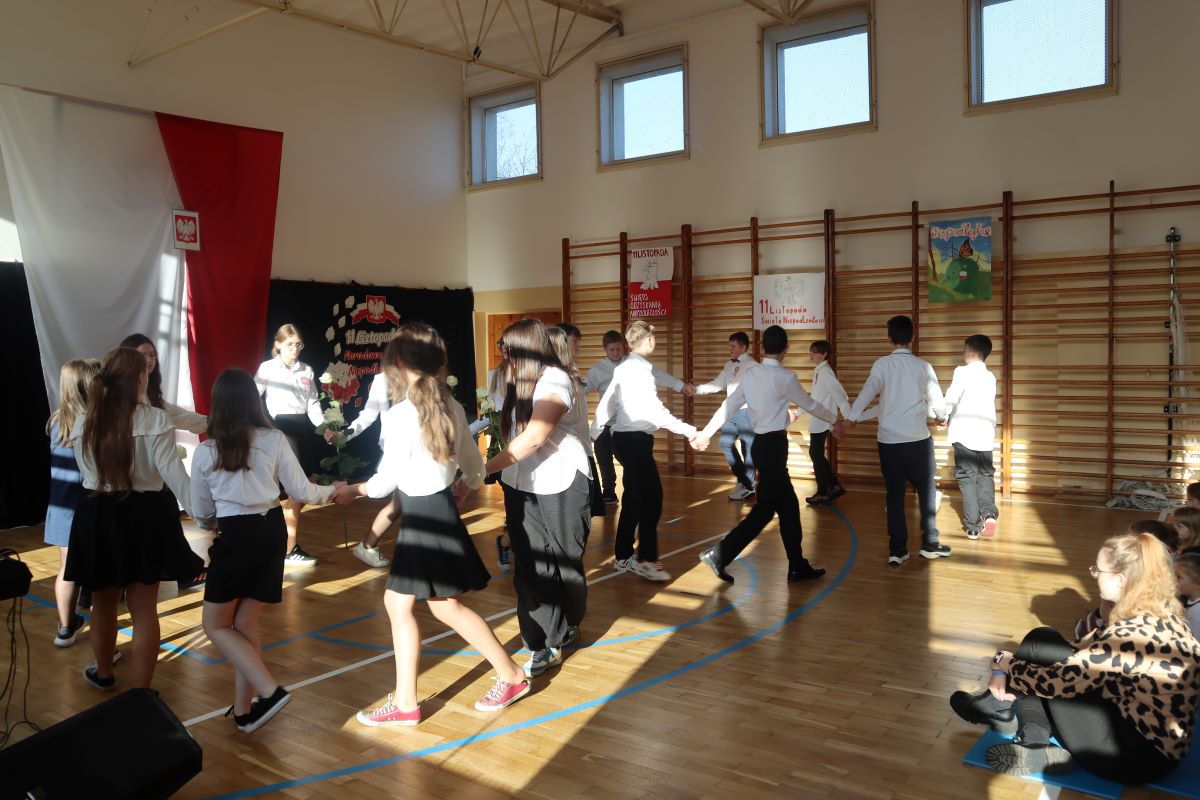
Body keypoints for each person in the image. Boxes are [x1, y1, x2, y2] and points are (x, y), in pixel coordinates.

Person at [333, 323, 530, 725]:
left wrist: (352, 489)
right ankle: (412, 700)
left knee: (432, 606)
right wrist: (462, 488)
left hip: (424, 521)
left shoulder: (402, 415)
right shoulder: (451, 407)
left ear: (399, 363)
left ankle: (504, 677)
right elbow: (474, 469)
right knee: (431, 605)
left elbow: (384, 482)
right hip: (435, 515)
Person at [950, 532, 1200, 783]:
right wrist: (1010, 664)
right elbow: (1080, 649)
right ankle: (1007, 713)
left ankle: (1022, 729)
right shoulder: (1161, 612)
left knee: (1040, 672)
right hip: (1149, 741)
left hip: (1133, 758)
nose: (1094, 575)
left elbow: (1057, 682)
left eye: (1097, 570)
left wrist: (1003, 664)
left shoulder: (1129, 635)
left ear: (1120, 580)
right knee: (1042, 638)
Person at [191, 369, 343, 733]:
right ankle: (245, 712)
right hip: (271, 531)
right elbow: (301, 491)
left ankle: (269, 691)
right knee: (244, 623)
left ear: (217, 406)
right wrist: (334, 491)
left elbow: (201, 512)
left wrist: (210, 524)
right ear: (252, 401)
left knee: (214, 624)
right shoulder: (274, 438)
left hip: (236, 535)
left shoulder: (207, 450)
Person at [65, 347, 198, 691]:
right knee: (144, 609)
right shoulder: (155, 419)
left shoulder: (84, 420)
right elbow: (176, 477)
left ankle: (104, 673)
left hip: (97, 514)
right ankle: (141, 691)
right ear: (141, 378)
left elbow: (87, 475)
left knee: (103, 604)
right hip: (145, 515)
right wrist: (205, 516)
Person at [484, 319, 592, 678]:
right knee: (530, 566)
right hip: (521, 483)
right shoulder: (515, 379)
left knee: (566, 564)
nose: (505, 355)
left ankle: (570, 622)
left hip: (562, 483)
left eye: (509, 349)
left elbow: (534, 437)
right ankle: (544, 643)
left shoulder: (556, 380)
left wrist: (485, 468)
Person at [693, 326, 836, 584]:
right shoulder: (786, 377)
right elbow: (810, 404)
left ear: (761, 348)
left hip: (762, 446)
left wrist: (706, 432)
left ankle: (797, 564)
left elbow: (729, 405)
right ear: (786, 349)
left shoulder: (751, 374)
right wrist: (836, 421)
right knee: (765, 511)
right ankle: (720, 554)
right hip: (774, 448)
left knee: (788, 507)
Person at [836, 315, 950, 565]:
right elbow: (936, 398)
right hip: (917, 441)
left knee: (895, 495)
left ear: (889, 339)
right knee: (926, 489)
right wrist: (942, 417)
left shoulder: (882, 365)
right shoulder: (924, 366)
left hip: (889, 442)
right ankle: (930, 543)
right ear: (913, 338)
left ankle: (897, 550)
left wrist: (851, 419)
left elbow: (868, 393)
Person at [592, 320, 698, 582]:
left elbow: (607, 403)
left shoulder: (632, 367)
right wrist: (690, 431)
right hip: (632, 442)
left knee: (634, 498)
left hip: (629, 441)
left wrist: (594, 431)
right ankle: (646, 560)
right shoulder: (635, 371)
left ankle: (623, 557)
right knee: (652, 497)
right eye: (653, 338)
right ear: (649, 341)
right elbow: (655, 412)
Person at [120, 333, 208, 590]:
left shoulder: (155, 402)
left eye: (152, 355)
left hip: (145, 492)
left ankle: (185, 570)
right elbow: (170, 466)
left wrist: (221, 423)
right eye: (143, 355)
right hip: (125, 496)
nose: (149, 360)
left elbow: (187, 419)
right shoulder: (109, 410)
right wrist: (201, 513)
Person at [584, 329, 693, 504]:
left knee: (630, 462)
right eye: (612, 350)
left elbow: (659, 375)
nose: (616, 353)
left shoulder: (634, 364)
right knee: (603, 458)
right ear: (605, 349)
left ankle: (633, 491)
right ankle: (609, 492)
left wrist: (680, 386)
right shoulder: (598, 369)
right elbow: (589, 391)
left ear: (624, 347)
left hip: (628, 425)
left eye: (619, 349)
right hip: (606, 423)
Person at [254, 324, 325, 566]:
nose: (295, 349)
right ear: (278, 344)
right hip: (280, 429)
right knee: (296, 487)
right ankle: (288, 547)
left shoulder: (307, 369)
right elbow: (252, 396)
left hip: (302, 429)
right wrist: (263, 425)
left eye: (299, 344)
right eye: (290, 344)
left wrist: (325, 428)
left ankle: (286, 544)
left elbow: (313, 404)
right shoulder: (267, 368)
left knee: (304, 485)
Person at [44, 358, 101, 646]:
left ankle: (66, 628)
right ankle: (104, 643)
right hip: (87, 507)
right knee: (100, 573)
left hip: (61, 506)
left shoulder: (57, 421)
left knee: (67, 569)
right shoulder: (93, 422)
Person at [329, 369, 398, 569]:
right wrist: (345, 435)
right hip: (395, 448)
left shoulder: (425, 375)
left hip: (420, 448)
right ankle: (368, 546)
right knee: (400, 501)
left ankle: (368, 545)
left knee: (400, 502)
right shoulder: (382, 380)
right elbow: (368, 415)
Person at [940, 334, 998, 539]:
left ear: (971, 352)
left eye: (965, 349)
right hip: (985, 435)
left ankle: (973, 527)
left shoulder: (961, 371)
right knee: (985, 475)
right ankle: (989, 514)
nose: (963, 353)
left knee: (967, 479)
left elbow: (952, 396)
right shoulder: (990, 377)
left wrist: (943, 416)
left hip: (964, 433)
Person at [694, 332, 759, 500]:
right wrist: (697, 389)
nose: (730, 349)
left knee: (747, 449)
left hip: (746, 411)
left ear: (743, 347)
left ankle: (749, 486)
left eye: (733, 346)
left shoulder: (752, 365)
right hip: (731, 411)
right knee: (725, 442)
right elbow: (717, 384)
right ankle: (745, 480)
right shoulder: (729, 365)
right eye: (729, 346)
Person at [556, 322, 606, 518]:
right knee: (573, 510)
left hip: (581, 444)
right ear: (561, 342)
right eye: (574, 341)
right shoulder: (556, 374)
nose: (578, 346)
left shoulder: (572, 369)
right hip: (566, 451)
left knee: (583, 510)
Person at [802, 340, 852, 507]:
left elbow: (840, 395)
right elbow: (815, 397)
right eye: (811, 351)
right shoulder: (819, 371)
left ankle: (824, 491)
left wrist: (848, 419)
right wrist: (800, 412)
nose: (811, 355)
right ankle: (834, 486)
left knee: (815, 454)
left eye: (814, 352)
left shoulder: (825, 372)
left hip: (823, 420)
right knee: (816, 454)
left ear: (824, 354)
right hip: (819, 418)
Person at [1177, 553, 1200, 636]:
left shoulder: (1197, 611)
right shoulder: (1192, 603)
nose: (1173, 579)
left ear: (1198, 584)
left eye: (1178, 577)